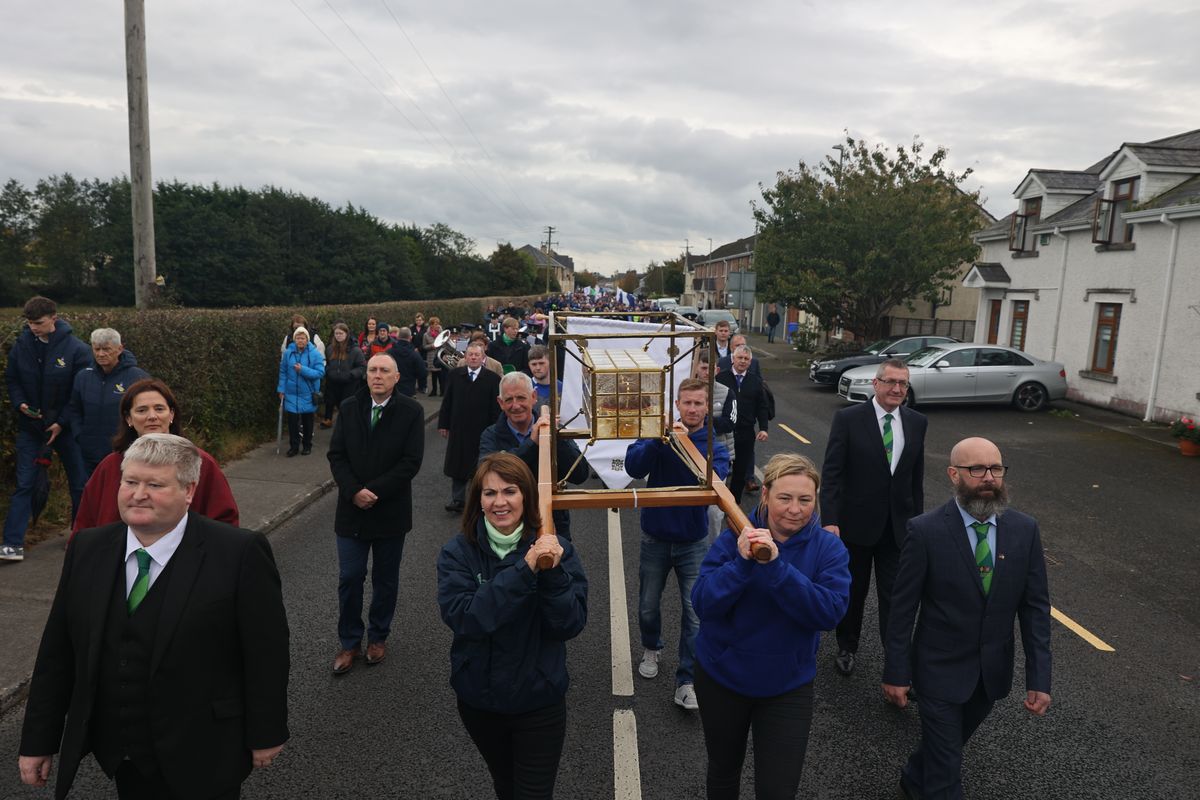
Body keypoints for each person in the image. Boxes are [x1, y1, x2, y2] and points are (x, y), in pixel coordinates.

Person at [18, 433, 289, 800]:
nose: (137, 494)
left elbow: (265, 652)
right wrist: (38, 740)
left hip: (205, 750)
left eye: (155, 485)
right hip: (123, 755)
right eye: (130, 481)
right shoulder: (88, 548)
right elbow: (57, 653)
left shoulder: (238, 553)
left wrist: (266, 731)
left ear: (189, 491)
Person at [883, 437, 1052, 800]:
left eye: (996, 468)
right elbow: (902, 608)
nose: (989, 477)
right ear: (953, 474)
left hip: (990, 674)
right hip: (937, 670)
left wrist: (1039, 678)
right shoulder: (925, 531)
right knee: (947, 772)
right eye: (977, 469)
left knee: (947, 745)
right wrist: (896, 671)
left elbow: (1035, 609)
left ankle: (913, 778)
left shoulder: (1025, 530)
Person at [692, 454, 851, 799]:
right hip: (723, 678)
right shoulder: (735, 536)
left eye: (805, 500)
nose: (795, 509)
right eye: (785, 498)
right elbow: (703, 603)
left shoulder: (829, 548)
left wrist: (777, 568)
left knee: (778, 789)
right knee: (723, 769)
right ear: (765, 494)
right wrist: (742, 564)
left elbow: (829, 613)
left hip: (786, 686)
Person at [437, 453, 588, 800]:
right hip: (480, 702)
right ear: (478, 500)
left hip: (539, 702)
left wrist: (551, 571)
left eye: (510, 491)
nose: (500, 502)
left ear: (527, 496)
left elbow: (569, 623)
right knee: (505, 786)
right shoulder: (457, 553)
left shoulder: (557, 550)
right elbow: (467, 618)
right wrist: (526, 568)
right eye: (489, 494)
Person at [625, 378, 730, 710]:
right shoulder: (658, 433)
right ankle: (651, 645)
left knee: (695, 612)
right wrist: (658, 440)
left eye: (699, 403)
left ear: (706, 407)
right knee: (647, 605)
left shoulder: (714, 442)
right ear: (678, 405)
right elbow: (633, 465)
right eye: (688, 403)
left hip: (694, 541)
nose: (694, 409)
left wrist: (688, 446)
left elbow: (718, 480)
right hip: (655, 536)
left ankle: (686, 680)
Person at [820, 357, 927, 678]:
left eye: (903, 384)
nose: (897, 389)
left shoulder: (917, 422)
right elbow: (833, 474)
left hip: (899, 528)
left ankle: (896, 661)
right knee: (853, 592)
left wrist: (918, 526)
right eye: (891, 382)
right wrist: (830, 520)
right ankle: (846, 646)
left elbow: (914, 480)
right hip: (855, 526)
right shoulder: (849, 419)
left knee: (896, 598)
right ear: (876, 384)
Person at [326, 353, 425, 674]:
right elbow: (336, 454)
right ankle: (350, 641)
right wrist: (354, 490)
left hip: (390, 511)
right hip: (351, 510)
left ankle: (378, 636)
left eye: (384, 370)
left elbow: (411, 462)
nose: (377, 375)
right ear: (366, 376)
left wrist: (377, 491)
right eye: (372, 370)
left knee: (385, 579)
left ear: (396, 377)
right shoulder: (351, 408)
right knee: (350, 577)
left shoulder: (411, 411)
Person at [72, 378, 239, 537]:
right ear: (128, 418)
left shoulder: (200, 463)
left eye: (159, 408)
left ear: (171, 414)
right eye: (142, 410)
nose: (152, 416)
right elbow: (85, 522)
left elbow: (225, 524)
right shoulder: (110, 465)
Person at [2, 296, 92, 562]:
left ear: (54, 317)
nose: (33, 328)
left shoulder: (78, 350)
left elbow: (80, 393)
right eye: (29, 323)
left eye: (38, 323)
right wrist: (20, 403)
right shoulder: (21, 346)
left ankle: (79, 535)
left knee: (80, 483)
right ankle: (12, 544)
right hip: (31, 428)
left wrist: (61, 422)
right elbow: (12, 379)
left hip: (66, 430)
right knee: (24, 483)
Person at [478, 372, 588, 539]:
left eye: (521, 398)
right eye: (509, 400)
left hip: (554, 521)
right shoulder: (490, 435)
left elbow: (580, 474)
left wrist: (557, 438)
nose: (515, 406)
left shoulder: (551, 428)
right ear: (500, 403)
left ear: (534, 397)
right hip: (508, 526)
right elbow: (485, 475)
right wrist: (532, 443)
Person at [66, 328, 150, 477]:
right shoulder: (83, 376)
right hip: (88, 452)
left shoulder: (137, 377)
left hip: (124, 452)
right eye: (96, 349)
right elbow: (74, 409)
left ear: (119, 349)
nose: (101, 354)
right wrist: (80, 435)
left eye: (106, 349)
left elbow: (146, 411)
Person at [438, 342, 502, 513]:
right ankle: (457, 500)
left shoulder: (492, 379)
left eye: (477, 355)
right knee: (457, 466)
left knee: (481, 467)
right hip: (458, 428)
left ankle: (479, 501)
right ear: (465, 357)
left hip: (483, 430)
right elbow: (447, 401)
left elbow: (496, 408)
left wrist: (496, 429)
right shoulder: (454, 375)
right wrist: (443, 424)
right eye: (470, 354)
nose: (473, 357)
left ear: (483, 358)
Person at [716, 345, 769, 504]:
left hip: (746, 432)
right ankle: (718, 500)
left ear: (750, 362)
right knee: (720, 467)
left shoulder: (756, 381)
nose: (742, 361)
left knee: (740, 471)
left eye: (746, 359)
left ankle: (734, 503)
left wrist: (764, 428)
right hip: (723, 431)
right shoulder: (721, 378)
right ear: (733, 359)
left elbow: (762, 406)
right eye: (740, 358)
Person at [694, 351, 735, 541]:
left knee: (714, 512)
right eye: (703, 368)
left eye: (711, 368)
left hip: (718, 457)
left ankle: (711, 549)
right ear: (696, 368)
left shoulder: (727, 392)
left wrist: (701, 421)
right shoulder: (688, 390)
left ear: (717, 370)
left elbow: (730, 422)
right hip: (692, 455)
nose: (706, 372)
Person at [277, 328, 325, 457]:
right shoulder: (288, 353)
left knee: (307, 421)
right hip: (291, 393)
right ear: (294, 339)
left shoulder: (315, 354)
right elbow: (283, 372)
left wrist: (302, 370)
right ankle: (294, 447)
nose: (300, 340)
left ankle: (307, 445)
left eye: (303, 338)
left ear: (307, 339)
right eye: (298, 338)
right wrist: (281, 389)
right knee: (292, 422)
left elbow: (320, 373)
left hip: (308, 393)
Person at [320, 322, 365, 429]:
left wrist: (351, 375)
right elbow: (325, 363)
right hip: (332, 382)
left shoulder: (355, 350)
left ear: (346, 334)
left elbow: (362, 367)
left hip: (348, 384)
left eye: (341, 333)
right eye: (336, 333)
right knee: (329, 401)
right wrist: (328, 371)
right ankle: (328, 420)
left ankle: (347, 425)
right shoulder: (330, 348)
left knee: (346, 406)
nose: (338, 336)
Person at [387, 326, 428, 398]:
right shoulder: (415, 354)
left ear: (398, 337)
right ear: (411, 338)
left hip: (391, 388)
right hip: (408, 390)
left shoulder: (389, 352)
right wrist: (422, 386)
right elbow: (422, 373)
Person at [424, 316, 445, 396]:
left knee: (441, 375)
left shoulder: (442, 333)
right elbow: (424, 346)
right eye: (435, 324)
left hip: (440, 355)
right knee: (433, 375)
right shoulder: (426, 335)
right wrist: (431, 346)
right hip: (431, 356)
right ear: (431, 325)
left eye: (438, 324)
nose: (437, 325)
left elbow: (445, 343)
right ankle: (434, 390)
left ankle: (442, 391)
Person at [412, 313, 430, 394]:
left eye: (420, 320)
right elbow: (409, 339)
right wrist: (413, 348)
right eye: (417, 320)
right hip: (413, 352)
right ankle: (415, 387)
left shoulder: (426, 329)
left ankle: (423, 386)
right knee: (414, 369)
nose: (418, 322)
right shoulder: (411, 328)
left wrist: (419, 348)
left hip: (423, 352)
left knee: (423, 370)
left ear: (423, 320)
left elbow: (427, 341)